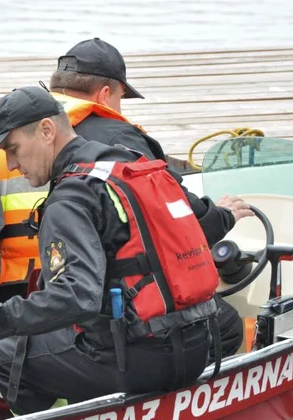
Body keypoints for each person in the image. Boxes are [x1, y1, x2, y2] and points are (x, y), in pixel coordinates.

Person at [0, 85, 214, 415]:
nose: (10, 163)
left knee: (5, 354)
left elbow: (77, 297)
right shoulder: (126, 161)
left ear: (47, 131)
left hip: (143, 362)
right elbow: (203, 221)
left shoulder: (70, 199)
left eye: (14, 149)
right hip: (196, 346)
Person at [47, 38, 250, 357]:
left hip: (36, 292)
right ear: (105, 94)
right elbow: (180, 219)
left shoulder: (28, 131)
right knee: (225, 325)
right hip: (103, 302)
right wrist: (223, 217)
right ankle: (175, 399)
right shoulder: (121, 140)